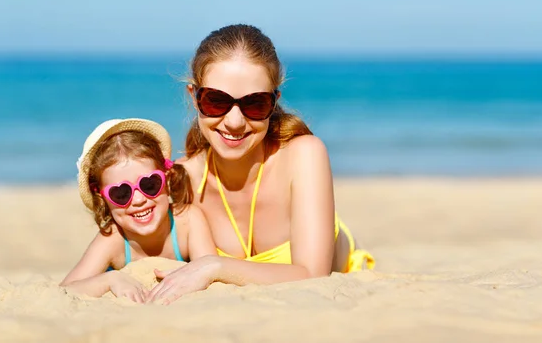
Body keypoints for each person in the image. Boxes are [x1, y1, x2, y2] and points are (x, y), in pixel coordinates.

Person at [145, 24, 375, 305]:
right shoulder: (183, 178)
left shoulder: (303, 155)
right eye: (216, 101)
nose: (235, 121)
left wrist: (215, 266)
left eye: (254, 104)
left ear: (274, 102)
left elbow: (314, 275)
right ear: (194, 96)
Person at [60, 118, 216, 303]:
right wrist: (110, 279)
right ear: (103, 199)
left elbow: (210, 269)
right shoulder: (113, 239)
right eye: (121, 193)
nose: (139, 200)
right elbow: (67, 289)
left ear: (166, 179)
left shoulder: (188, 221)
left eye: (149, 184)